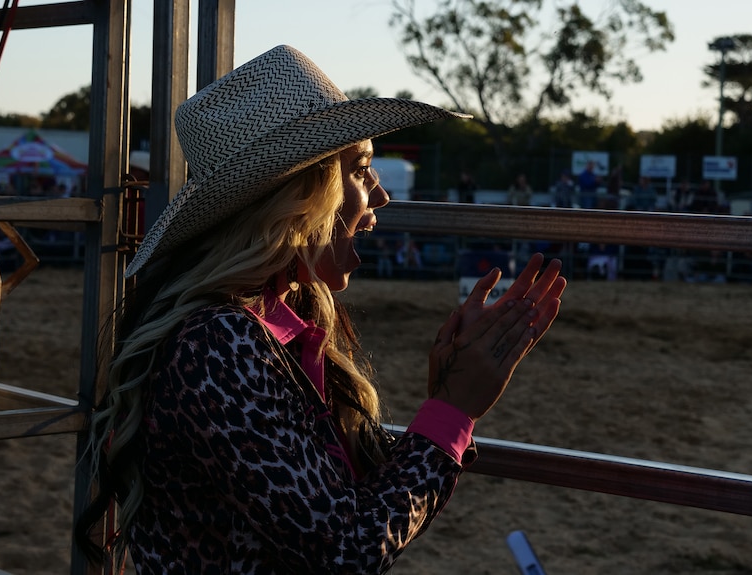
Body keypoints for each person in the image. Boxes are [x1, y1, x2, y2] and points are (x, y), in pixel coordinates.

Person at [75, 45, 567, 573]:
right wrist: (453, 409)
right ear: (300, 197)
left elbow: (324, 499)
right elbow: (344, 549)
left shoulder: (268, 324)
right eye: (359, 170)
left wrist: (446, 395)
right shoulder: (218, 344)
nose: (379, 196)